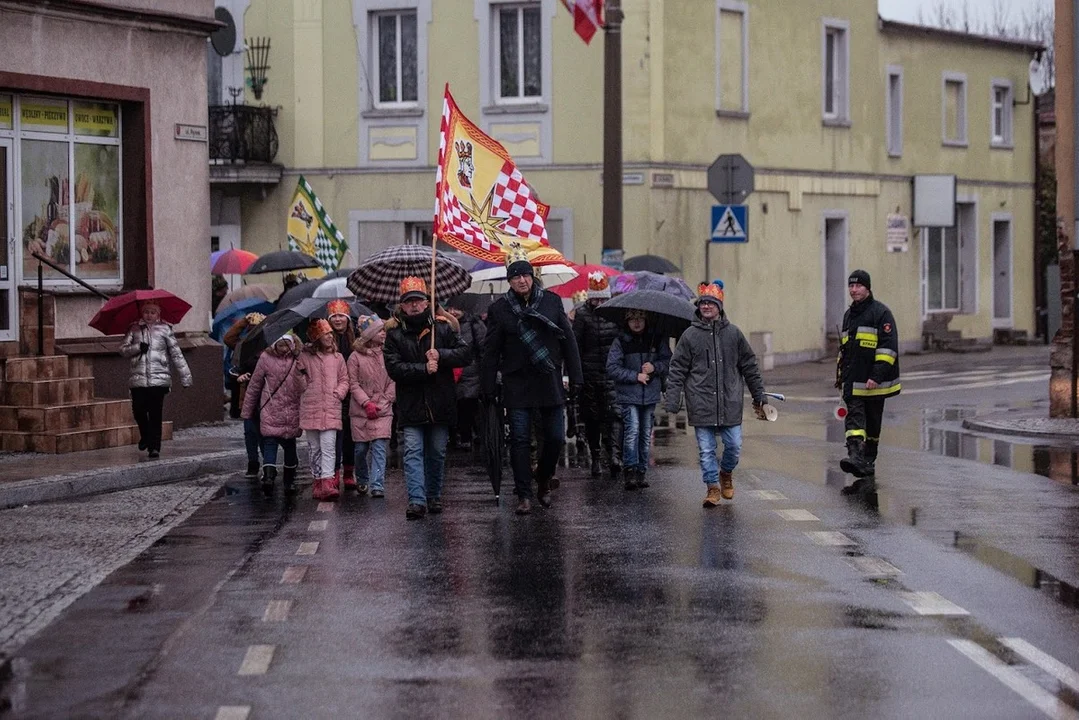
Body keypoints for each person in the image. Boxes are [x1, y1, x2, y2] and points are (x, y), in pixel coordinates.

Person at [482, 247, 583, 515]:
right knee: (519, 440)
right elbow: (491, 352)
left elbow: (568, 341)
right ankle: (524, 494)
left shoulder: (551, 302)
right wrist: (488, 387)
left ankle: (543, 478)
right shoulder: (499, 309)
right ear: (509, 280)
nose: (521, 281)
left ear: (532, 275)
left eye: (525, 275)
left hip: (548, 379)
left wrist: (576, 377)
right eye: (515, 277)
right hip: (517, 383)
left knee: (555, 438)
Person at [663, 283, 767, 507]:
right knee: (706, 450)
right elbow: (677, 368)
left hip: (729, 401)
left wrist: (759, 395)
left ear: (719, 306)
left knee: (734, 445)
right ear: (698, 307)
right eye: (703, 303)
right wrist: (673, 398)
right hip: (700, 401)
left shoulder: (734, 334)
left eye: (711, 303)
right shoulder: (689, 336)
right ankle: (712, 487)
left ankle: (726, 473)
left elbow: (749, 366)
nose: (707, 306)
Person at [383, 277, 471, 520]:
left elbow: (465, 354)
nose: (414, 306)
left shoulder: (443, 328)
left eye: (418, 301)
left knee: (436, 452)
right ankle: (417, 500)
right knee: (412, 450)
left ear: (426, 303)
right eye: (408, 302)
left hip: (440, 403)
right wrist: (423, 368)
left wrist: (440, 355)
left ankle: (433, 495)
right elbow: (394, 368)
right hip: (411, 406)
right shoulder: (394, 335)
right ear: (401, 306)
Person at [836, 269, 900, 482]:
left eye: (858, 286)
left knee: (873, 424)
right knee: (854, 418)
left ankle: (868, 460)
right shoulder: (849, 316)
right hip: (854, 380)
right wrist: (840, 376)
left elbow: (888, 348)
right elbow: (845, 350)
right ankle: (855, 456)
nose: (854, 290)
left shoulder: (881, 313)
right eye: (851, 286)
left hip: (874, 383)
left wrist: (877, 375)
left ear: (868, 288)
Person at [606, 309, 671, 491]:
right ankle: (630, 470)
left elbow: (668, 361)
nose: (636, 323)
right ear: (626, 322)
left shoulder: (656, 339)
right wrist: (635, 376)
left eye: (640, 319)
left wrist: (654, 367)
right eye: (632, 319)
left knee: (645, 433)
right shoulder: (621, 341)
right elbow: (612, 368)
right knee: (632, 430)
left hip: (649, 395)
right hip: (628, 395)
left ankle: (642, 471)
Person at [119, 300, 193, 458]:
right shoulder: (134, 328)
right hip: (138, 378)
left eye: (153, 312)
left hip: (159, 379)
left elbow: (176, 353)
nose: (149, 315)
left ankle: (155, 447)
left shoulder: (165, 329)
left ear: (158, 314)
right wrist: (138, 347)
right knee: (138, 410)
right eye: (146, 312)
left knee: (155, 413)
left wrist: (185, 376)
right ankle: (145, 435)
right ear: (142, 313)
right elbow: (123, 350)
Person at [572, 272, 622, 480]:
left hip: (611, 373)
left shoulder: (614, 314)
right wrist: (576, 376)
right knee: (593, 419)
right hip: (589, 375)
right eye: (596, 298)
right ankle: (595, 456)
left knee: (613, 416)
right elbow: (576, 345)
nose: (599, 302)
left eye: (603, 298)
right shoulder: (582, 315)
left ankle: (614, 455)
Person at [242, 331, 303, 496]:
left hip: (292, 410)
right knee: (270, 444)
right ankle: (269, 477)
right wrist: (247, 411)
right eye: (281, 345)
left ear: (293, 344)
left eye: (287, 345)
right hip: (271, 408)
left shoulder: (298, 359)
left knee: (290, 447)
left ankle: (288, 480)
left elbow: (305, 384)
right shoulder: (265, 358)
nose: (284, 349)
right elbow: (254, 386)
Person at [297, 318, 349, 501]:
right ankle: (317, 480)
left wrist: (339, 393)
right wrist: (300, 374)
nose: (328, 336)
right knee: (315, 448)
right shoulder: (305, 357)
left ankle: (327, 481)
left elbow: (344, 379)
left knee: (328, 446)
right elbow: (299, 384)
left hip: (331, 406)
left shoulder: (337, 357)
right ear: (316, 337)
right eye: (324, 334)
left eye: (329, 333)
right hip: (311, 406)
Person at [347, 315, 395, 498]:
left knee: (379, 448)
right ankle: (362, 478)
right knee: (360, 450)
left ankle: (377, 485)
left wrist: (386, 400)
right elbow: (353, 383)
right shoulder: (355, 357)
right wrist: (366, 403)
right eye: (380, 331)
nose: (384, 334)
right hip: (361, 412)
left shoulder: (388, 354)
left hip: (383, 409)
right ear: (370, 334)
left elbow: (393, 379)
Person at [223, 312, 267, 478]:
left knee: (263, 432)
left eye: (258, 328)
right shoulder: (243, 345)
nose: (254, 331)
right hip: (248, 394)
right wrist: (243, 321)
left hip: (266, 395)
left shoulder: (268, 346)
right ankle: (253, 463)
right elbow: (228, 338)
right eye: (251, 328)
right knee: (250, 432)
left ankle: (267, 463)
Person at [326, 299, 358, 491]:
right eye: (334, 316)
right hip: (332, 393)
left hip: (351, 394)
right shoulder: (325, 340)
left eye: (341, 316)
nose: (338, 320)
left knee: (349, 436)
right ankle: (333, 474)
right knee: (333, 437)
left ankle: (348, 472)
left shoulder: (354, 340)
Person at [445, 304, 485, 450]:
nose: (452, 312)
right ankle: (457, 436)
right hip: (451, 371)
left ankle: (468, 436)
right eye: (449, 309)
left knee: (468, 404)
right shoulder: (444, 324)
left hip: (471, 372)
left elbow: (483, 347)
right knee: (453, 405)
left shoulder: (474, 324)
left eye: (456, 308)